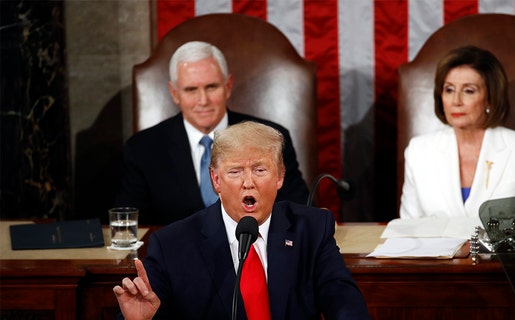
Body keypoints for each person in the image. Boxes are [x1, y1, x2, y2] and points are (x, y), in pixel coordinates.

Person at [113, 121, 371, 320]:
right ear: (216, 181)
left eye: (260, 170)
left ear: (280, 177)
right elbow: (143, 309)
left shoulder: (312, 229)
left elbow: (344, 303)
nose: (249, 182)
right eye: (235, 171)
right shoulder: (172, 245)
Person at [114, 41, 309, 225]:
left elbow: (299, 212)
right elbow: (131, 226)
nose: (203, 100)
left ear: (228, 86)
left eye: (211, 87)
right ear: (174, 93)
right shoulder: (143, 148)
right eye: (191, 89)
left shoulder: (270, 138)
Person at [399, 45, 515, 226]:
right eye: (449, 89)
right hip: (436, 254)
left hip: (499, 255)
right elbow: (408, 229)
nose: (456, 101)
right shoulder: (419, 150)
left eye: (469, 90)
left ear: (490, 98)